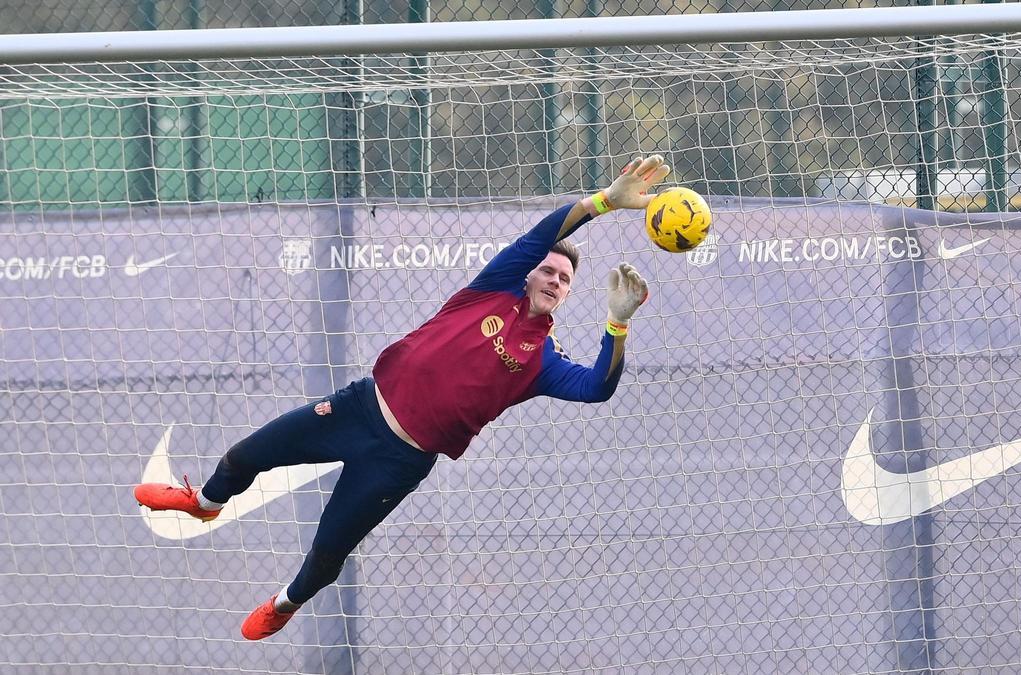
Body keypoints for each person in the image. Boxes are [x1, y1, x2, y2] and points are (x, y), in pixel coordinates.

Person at [133, 155, 672, 640]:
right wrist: (605, 202)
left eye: (565, 279)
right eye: (549, 270)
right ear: (530, 273)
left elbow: (597, 389)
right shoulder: (494, 287)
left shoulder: (542, 361)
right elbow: (541, 233)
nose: (555, 279)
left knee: (328, 553)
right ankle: (203, 503)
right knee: (243, 457)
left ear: (570, 294)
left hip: (401, 460)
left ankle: (284, 604)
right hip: (358, 409)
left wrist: (617, 324)